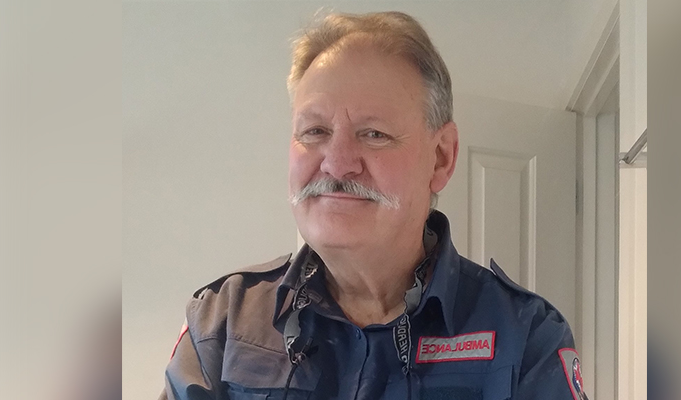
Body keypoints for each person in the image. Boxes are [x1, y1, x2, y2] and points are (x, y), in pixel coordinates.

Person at [160, 11, 587, 400]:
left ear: (441, 157)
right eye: (314, 130)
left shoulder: (528, 335)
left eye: (374, 134)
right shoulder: (220, 321)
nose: (338, 163)